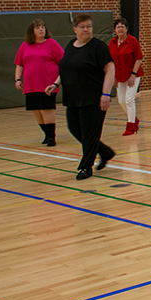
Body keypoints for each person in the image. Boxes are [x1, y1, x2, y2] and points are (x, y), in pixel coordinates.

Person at [45, 14, 115, 180]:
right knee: (75, 129)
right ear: (75, 29)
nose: (86, 30)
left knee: (90, 133)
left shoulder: (98, 47)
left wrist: (106, 94)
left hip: (93, 98)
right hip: (74, 97)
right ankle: (105, 152)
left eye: (88, 26)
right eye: (82, 27)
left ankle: (86, 167)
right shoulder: (71, 46)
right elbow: (67, 69)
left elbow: (110, 69)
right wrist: (56, 84)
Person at [14, 19, 64, 147]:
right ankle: (46, 134)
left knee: (46, 109)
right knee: (36, 110)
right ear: (32, 31)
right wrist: (18, 79)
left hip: (48, 83)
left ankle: (51, 137)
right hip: (31, 84)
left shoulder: (52, 43)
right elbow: (19, 64)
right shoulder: (25, 45)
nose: (41, 29)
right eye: (38, 27)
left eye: (42, 27)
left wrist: (58, 80)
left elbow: (63, 61)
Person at [109, 17, 144, 136]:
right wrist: (113, 76)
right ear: (115, 29)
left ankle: (131, 125)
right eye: (118, 27)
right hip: (119, 75)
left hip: (133, 74)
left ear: (126, 28)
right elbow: (111, 61)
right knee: (121, 101)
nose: (120, 29)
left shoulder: (133, 41)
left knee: (129, 99)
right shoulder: (112, 43)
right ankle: (133, 118)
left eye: (122, 27)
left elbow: (138, 58)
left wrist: (133, 75)